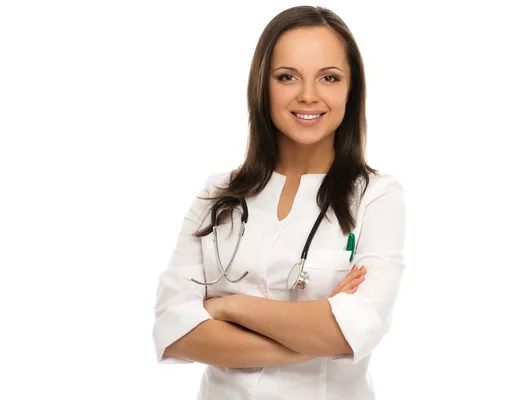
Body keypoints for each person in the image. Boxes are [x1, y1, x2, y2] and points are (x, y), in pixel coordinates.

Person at [152, 5, 407, 399]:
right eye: (287, 77)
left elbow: (353, 330)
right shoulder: (216, 196)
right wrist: (313, 334)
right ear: (262, 86)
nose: (308, 95)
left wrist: (228, 308)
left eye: (329, 77)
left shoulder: (376, 197)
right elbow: (174, 331)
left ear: (350, 90)